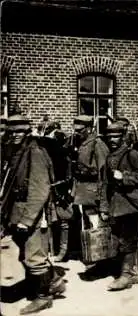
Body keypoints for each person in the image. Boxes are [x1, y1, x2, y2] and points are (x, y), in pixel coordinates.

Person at [3, 114, 66, 314]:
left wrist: (27, 219)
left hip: (34, 213)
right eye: (11, 132)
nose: (14, 135)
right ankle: (54, 281)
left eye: (19, 132)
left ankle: (43, 296)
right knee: (27, 253)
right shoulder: (17, 152)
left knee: (34, 256)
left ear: (28, 131)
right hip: (18, 211)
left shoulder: (35, 152)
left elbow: (40, 190)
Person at [99, 122, 138, 291]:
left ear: (122, 137)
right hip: (116, 206)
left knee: (127, 240)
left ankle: (126, 276)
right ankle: (135, 272)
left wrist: (125, 176)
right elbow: (105, 184)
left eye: (116, 136)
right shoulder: (109, 157)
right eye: (109, 137)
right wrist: (103, 207)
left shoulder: (132, 154)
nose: (112, 140)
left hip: (131, 205)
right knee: (123, 239)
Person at [70, 115, 109, 264]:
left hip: (94, 191)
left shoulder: (97, 144)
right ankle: (92, 254)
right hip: (84, 191)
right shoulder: (82, 143)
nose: (77, 133)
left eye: (80, 130)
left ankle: (101, 257)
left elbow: (103, 171)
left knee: (97, 224)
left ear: (89, 128)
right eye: (76, 130)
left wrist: (101, 193)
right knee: (88, 221)